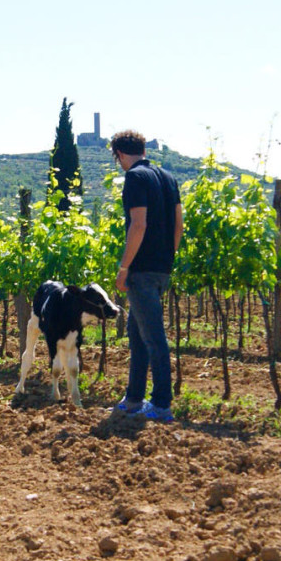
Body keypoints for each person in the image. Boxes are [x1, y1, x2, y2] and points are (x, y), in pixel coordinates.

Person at [110, 130, 182, 422]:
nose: (119, 164)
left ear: (121, 154)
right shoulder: (167, 177)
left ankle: (162, 404)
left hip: (141, 270)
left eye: (117, 159)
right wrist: (168, 257)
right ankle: (134, 398)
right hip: (162, 267)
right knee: (138, 334)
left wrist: (125, 267)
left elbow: (138, 225)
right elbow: (178, 224)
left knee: (153, 337)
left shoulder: (135, 178)